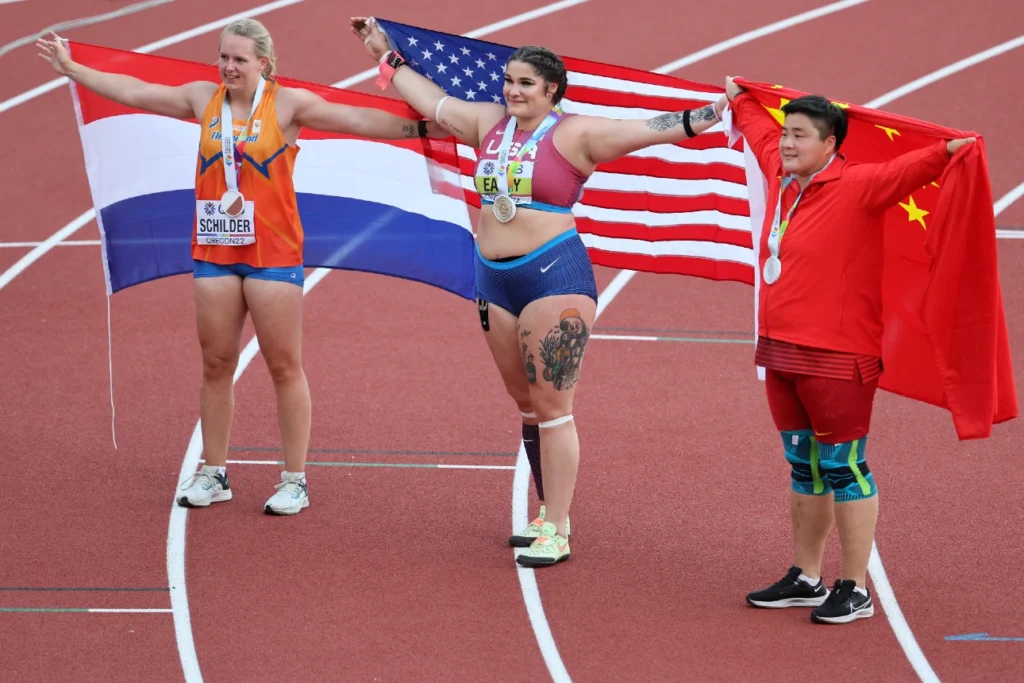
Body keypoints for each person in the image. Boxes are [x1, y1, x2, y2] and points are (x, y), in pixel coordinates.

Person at [350, 16, 728, 567]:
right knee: (526, 405)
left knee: (554, 406)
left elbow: (655, 127)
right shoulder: (486, 122)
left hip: (554, 274)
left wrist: (717, 110)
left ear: (552, 90)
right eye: (508, 80)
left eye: (525, 83)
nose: (512, 90)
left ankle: (558, 526)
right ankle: (549, 512)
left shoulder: (575, 133)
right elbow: (431, 102)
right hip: (491, 275)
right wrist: (384, 55)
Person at [37, 19, 447, 516]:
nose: (229, 67)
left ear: (263, 64)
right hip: (214, 251)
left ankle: (294, 479)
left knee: (282, 366)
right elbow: (137, 92)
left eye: (239, 60)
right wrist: (72, 69)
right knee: (215, 363)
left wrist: (423, 126)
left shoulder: (288, 105)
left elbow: (357, 121)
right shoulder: (200, 98)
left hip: (272, 254)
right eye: (223, 57)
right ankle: (214, 471)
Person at [722, 76, 974, 623]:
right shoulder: (778, 170)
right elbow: (757, 129)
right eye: (787, 133)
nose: (787, 143)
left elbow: (919, 166)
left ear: (831, 144)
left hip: (838, 358)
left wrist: (953, 149)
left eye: (801, 136)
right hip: (779, 351)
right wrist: (741, 98)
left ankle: (854, 588)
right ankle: (806, 577)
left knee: (845, 468)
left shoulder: (862, 184)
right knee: (801, 465)